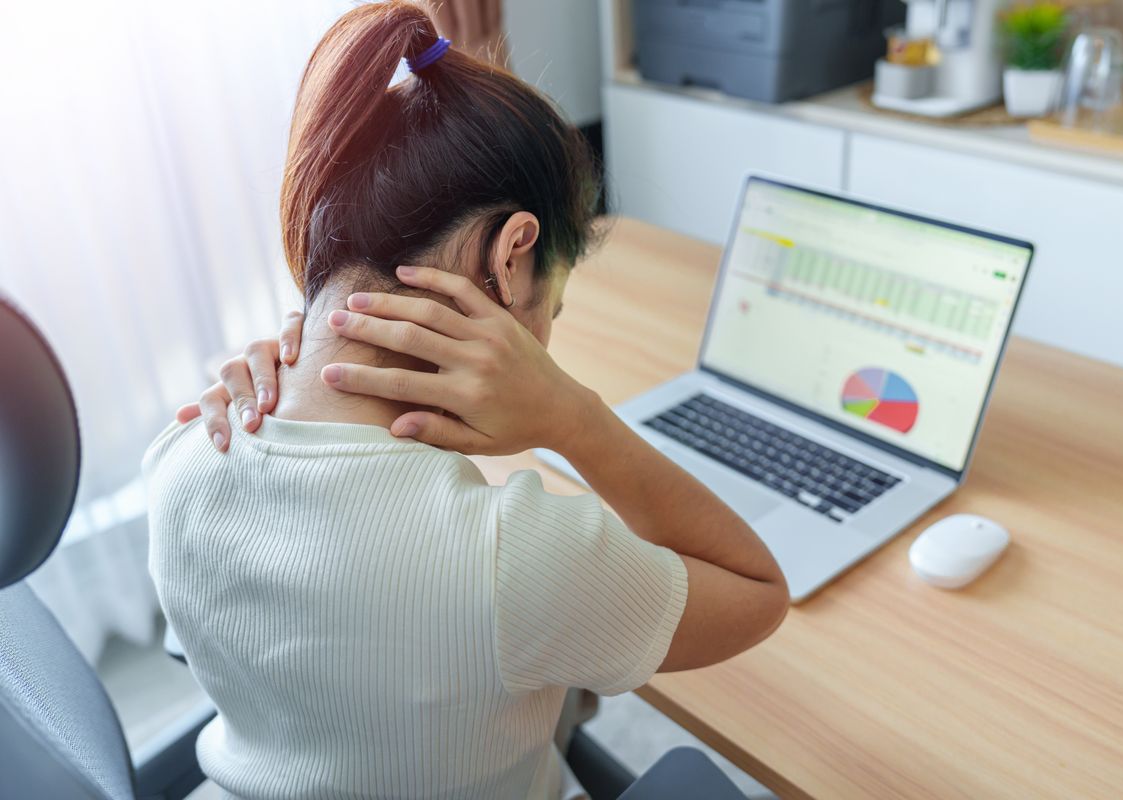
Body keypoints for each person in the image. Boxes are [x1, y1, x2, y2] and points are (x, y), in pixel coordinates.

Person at [146, 3, 789, 799]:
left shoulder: (180, 460)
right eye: (556, 302)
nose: (548, 326)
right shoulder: (509, 560)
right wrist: (573, 419)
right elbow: (759, 592)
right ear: (515, 256)